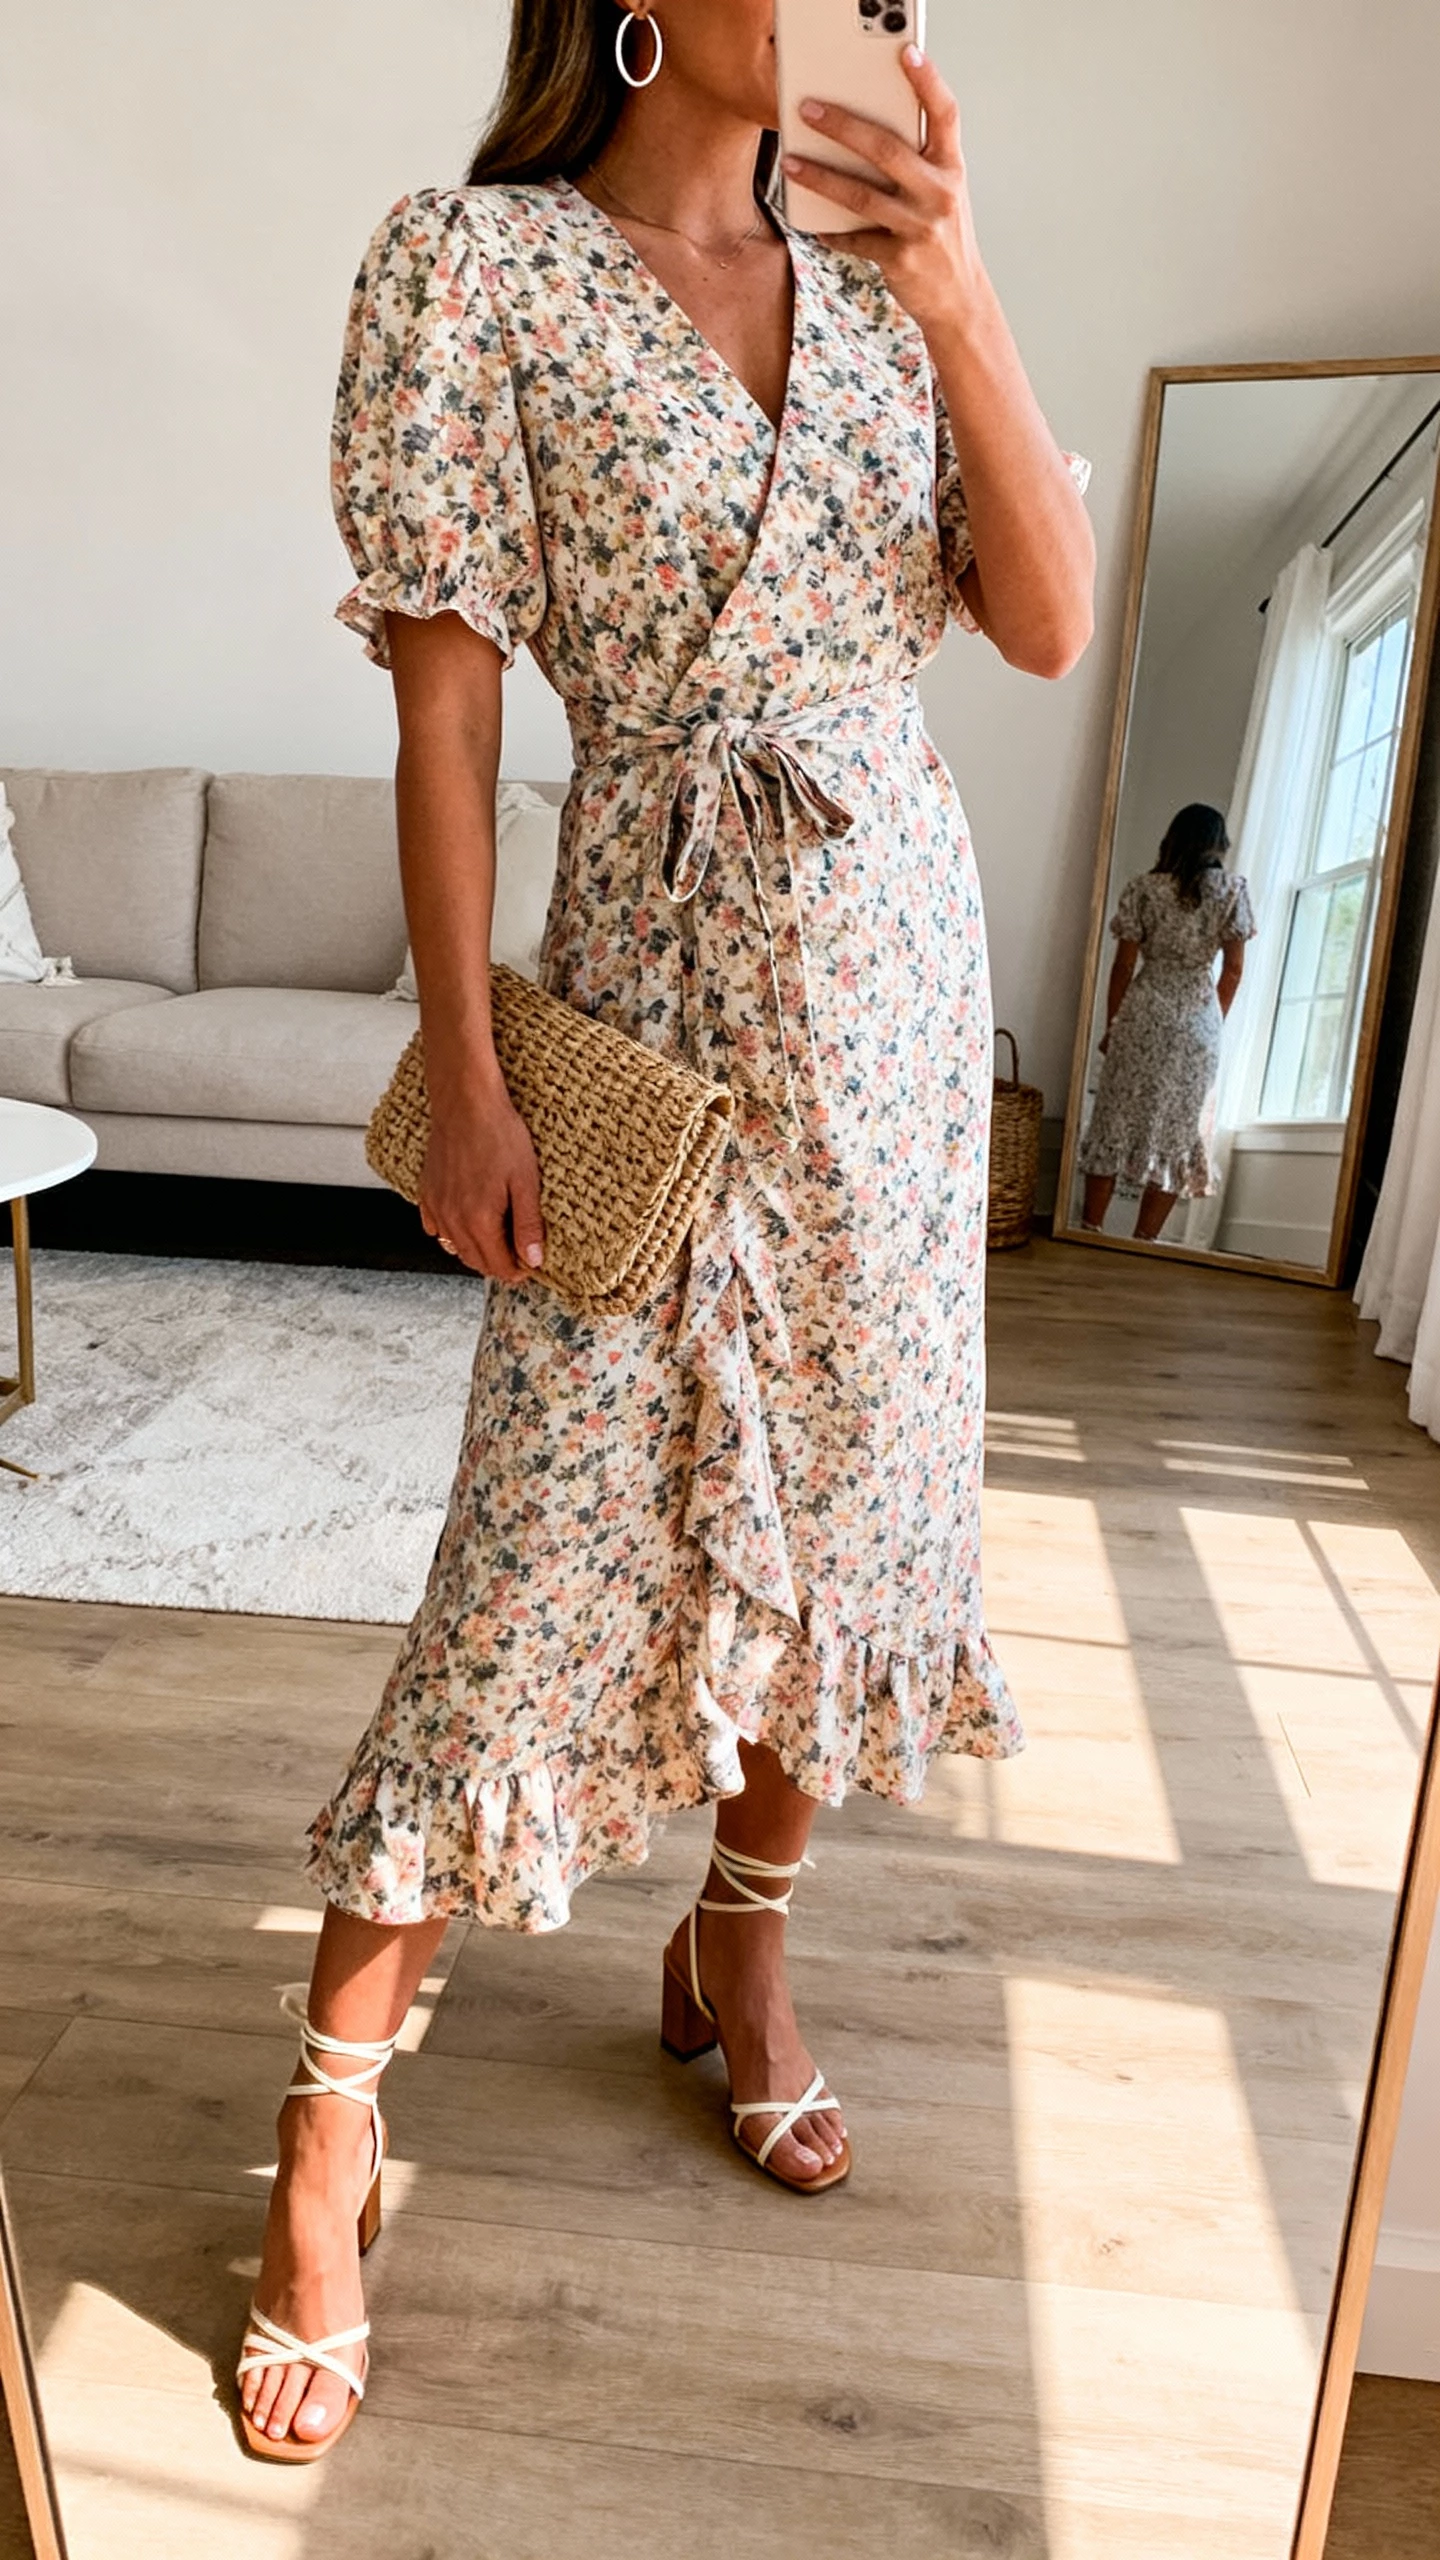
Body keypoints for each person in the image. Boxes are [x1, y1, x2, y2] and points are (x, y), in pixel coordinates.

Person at [236, 0, 1094, 2460]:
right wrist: (470, 1075)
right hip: (648, 998)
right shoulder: (471, 267)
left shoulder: (891, 288)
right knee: (526, 1564)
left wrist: (960, 290)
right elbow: (446, 718)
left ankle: (742, 1939)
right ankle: (328, 2119)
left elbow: (1040, 625)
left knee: (846, 1518)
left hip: (895, 1016)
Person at [1078, 804, 1256, 1243]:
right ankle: (1146, 1241)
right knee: (1178, 1130)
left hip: (1144, 1011)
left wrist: (1114, 1025)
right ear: (1218, 845)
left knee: (1114, 1119)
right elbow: (1233, 970)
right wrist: (1211, 1024)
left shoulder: (1143, 889)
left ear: (1172, 839)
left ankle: (1090, 1230)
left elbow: (1123, 966)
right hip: (1198, 1019)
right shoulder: (1232, 892)